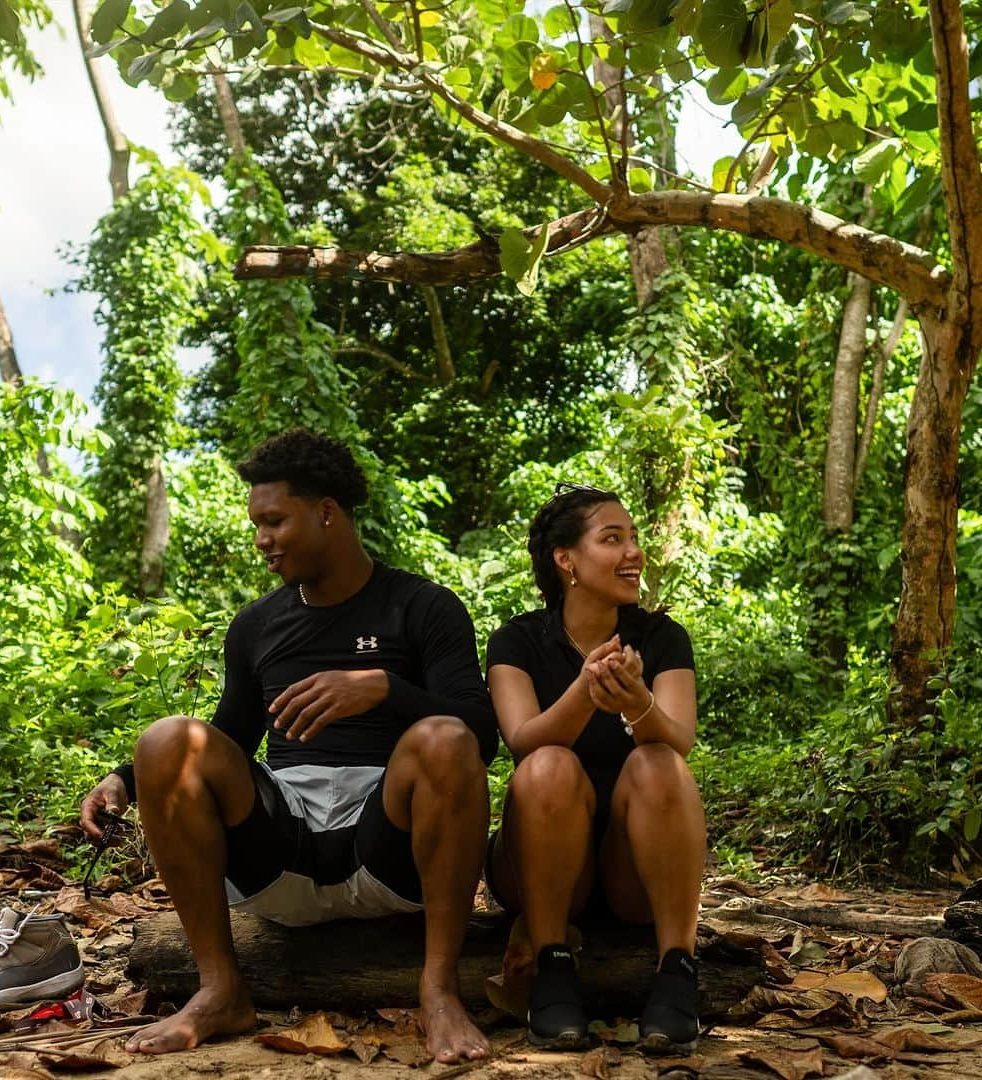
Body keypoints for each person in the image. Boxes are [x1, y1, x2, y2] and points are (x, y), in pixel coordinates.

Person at [80, 429, 497, 1063]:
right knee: (166, 737)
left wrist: (385, 689)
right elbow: (229, 736)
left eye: (274, 520)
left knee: (443, 735)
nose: (261, 540)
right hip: (284, 847)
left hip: (388, 846)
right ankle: (220, 990)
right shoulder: (256, 626)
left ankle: (438, 991)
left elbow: (480, 737)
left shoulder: (424, 607)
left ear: (326, 511)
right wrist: (125, 779)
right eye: (256, 523)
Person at [485, 482, 705, 1053]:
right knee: (547, 764)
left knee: (658, 763)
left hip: (632, 873)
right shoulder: (517, 640)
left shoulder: (661, 638)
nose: (633, 552)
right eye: (613, 539)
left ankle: (678, 968)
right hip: (543, 867)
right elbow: (521, 740)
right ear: (566, 560)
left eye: (634, 538)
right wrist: (585, 691)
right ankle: (552, 964)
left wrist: (636, 701)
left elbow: (679, 740)